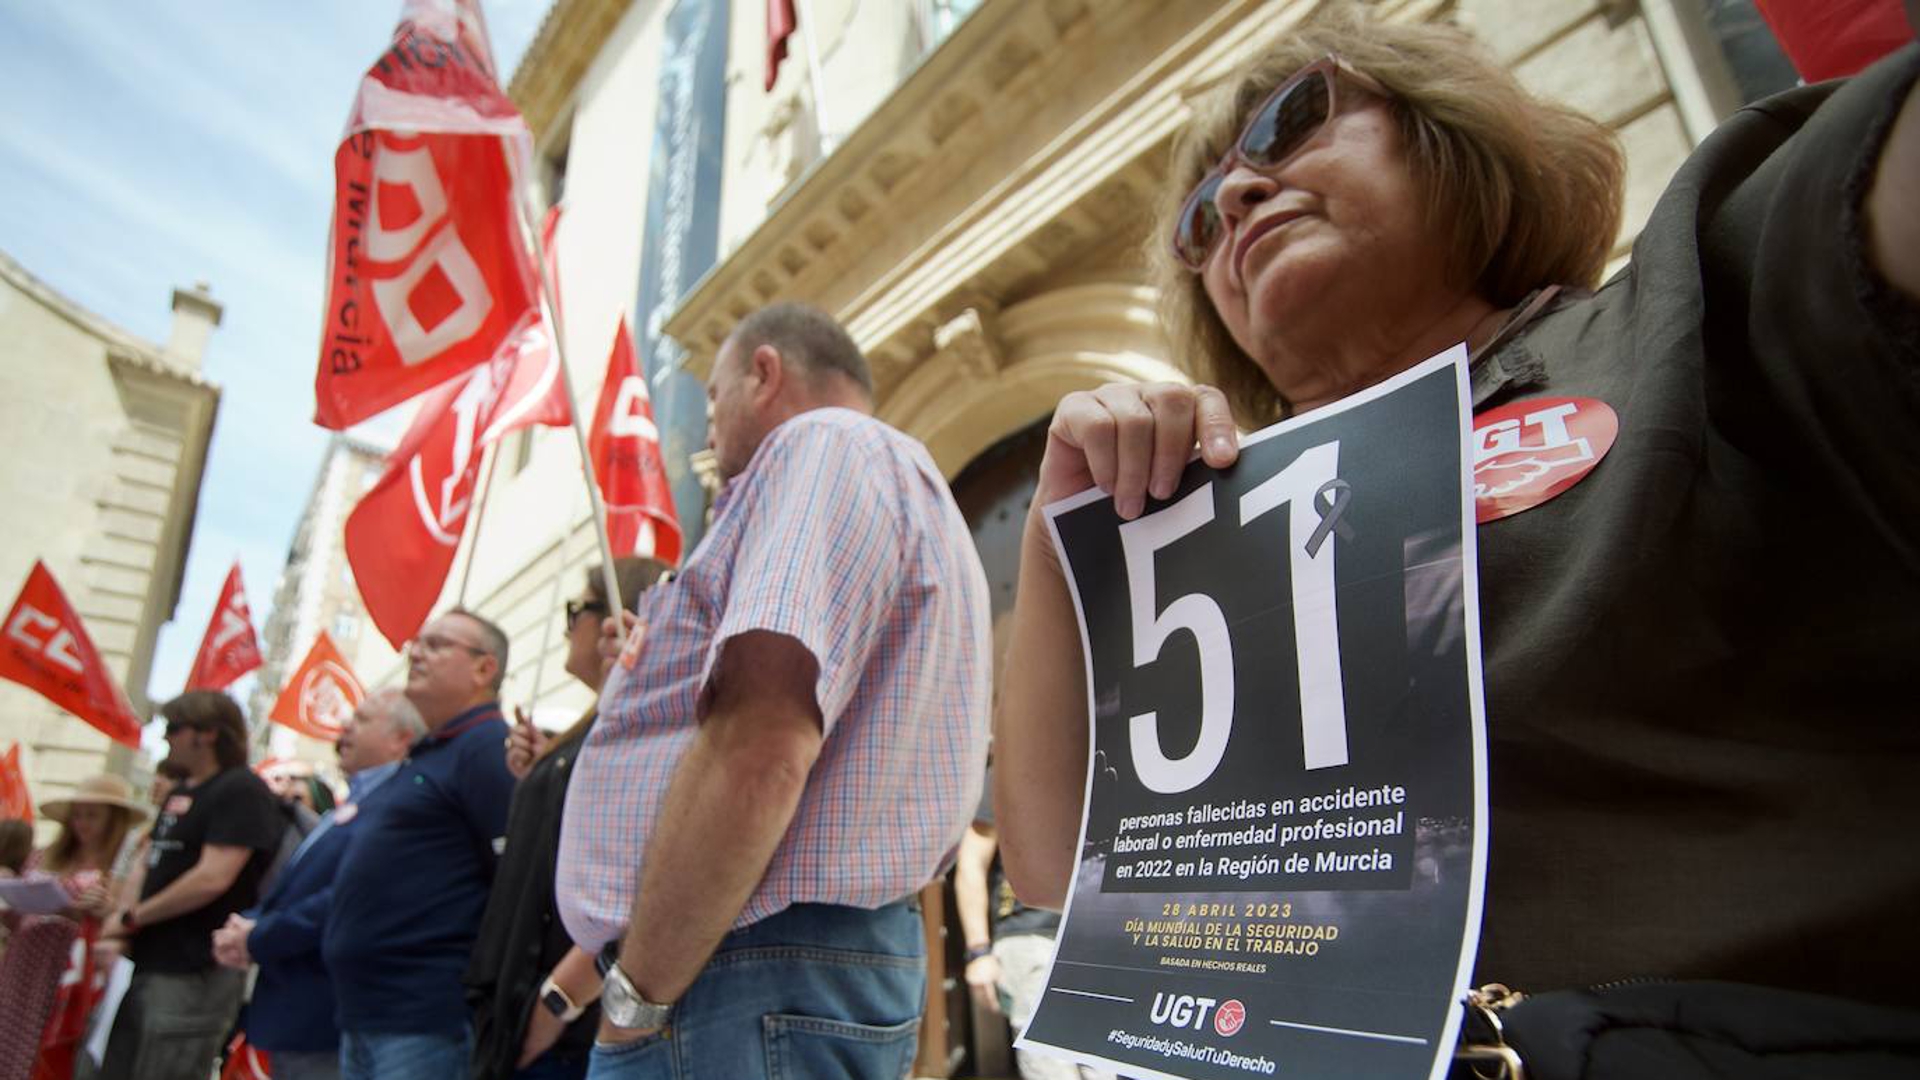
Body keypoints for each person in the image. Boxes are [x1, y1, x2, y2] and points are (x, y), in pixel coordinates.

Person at [993, 0, 1919, 1039]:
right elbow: (1060, 861)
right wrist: (1061, 530)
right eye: (1201, 223)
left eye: (1292, 120)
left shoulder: (1690, 299)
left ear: (1444, 129)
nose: (1242, 193)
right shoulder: (1214, 541)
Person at [555, 302, 992, 1079]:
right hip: (771, 967)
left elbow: (758, 747)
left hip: (737, 968)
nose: (708, 423)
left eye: (713, 397)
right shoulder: (891, 478)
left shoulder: (817, 445)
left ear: (764, 372)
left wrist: (638, 999)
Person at [467, 557, 669, 1080]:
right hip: (520, 1013)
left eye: (576, 609)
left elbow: (638, 880)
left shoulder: (641, 723)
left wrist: (557, 1003)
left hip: (558, 1033)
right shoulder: (596, 727)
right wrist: (546, 769)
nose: (570, 626)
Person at [323, 608, 517, 1080]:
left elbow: (512, 880)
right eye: (419, 642)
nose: (417, 653)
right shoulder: (433, 754)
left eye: (437, 645)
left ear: (483, 668)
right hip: (370, 1015)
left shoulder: (488, 749)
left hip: (425, 1020)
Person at [211, 690, 425, 1080]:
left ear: (401, 738)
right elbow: (296, 886)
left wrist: (259, 935)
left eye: (361, 721)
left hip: (320, 1019)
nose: (345, 727)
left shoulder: (399, 806)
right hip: (290, 1011)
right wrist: (250, 924)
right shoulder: (352, 804)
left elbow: (349, 899)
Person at [95, 691, 282, 1080]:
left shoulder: (240, 790)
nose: (166, 738)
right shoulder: (181, 792)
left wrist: (133, 917)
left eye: (175, 728)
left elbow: (212, 878)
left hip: (195, 970)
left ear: (209, 733)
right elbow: (149, 862)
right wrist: (120, 923)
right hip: (149, 962)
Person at [954, 768, 1111, 1080]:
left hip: (1094, 939)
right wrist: (977, 951)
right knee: (1051, 1067)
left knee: (1101, 1066)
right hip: (1030, 935)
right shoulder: (1010, 766)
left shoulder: (1108, 757)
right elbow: (972, 860)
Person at [27, 775, 150, 1080]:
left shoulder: (126, 868)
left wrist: (105, 907)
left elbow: (126, 918)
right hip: (33, 964)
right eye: (78, 815)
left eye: (92, 815)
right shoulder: (48, 856)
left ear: (114, 820)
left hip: (82, 971)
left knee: (71, 1051)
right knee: (26, 1043)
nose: (82, 823)